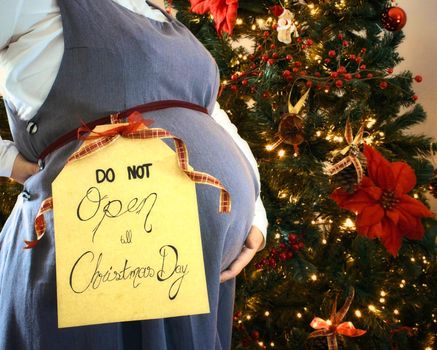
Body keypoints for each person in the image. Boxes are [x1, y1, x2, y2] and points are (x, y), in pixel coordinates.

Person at [0, 0, 268, 349]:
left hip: (191, 281)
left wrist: (257, 217)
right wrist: (10, 162)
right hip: (95, 268)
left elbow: (212, 116)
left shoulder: (159, 12)